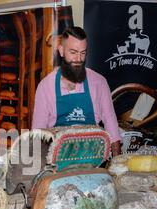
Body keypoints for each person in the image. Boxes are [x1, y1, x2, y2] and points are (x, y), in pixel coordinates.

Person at [32, 26, 122, 156]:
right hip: (57, 164)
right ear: (61, 51)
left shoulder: (99, 83)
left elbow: (111, 125)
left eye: (83, 53)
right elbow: (37, 135)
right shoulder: (46, 87)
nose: (78, 59)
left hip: (93, 160)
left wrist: (117, 164)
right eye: (73, 52)